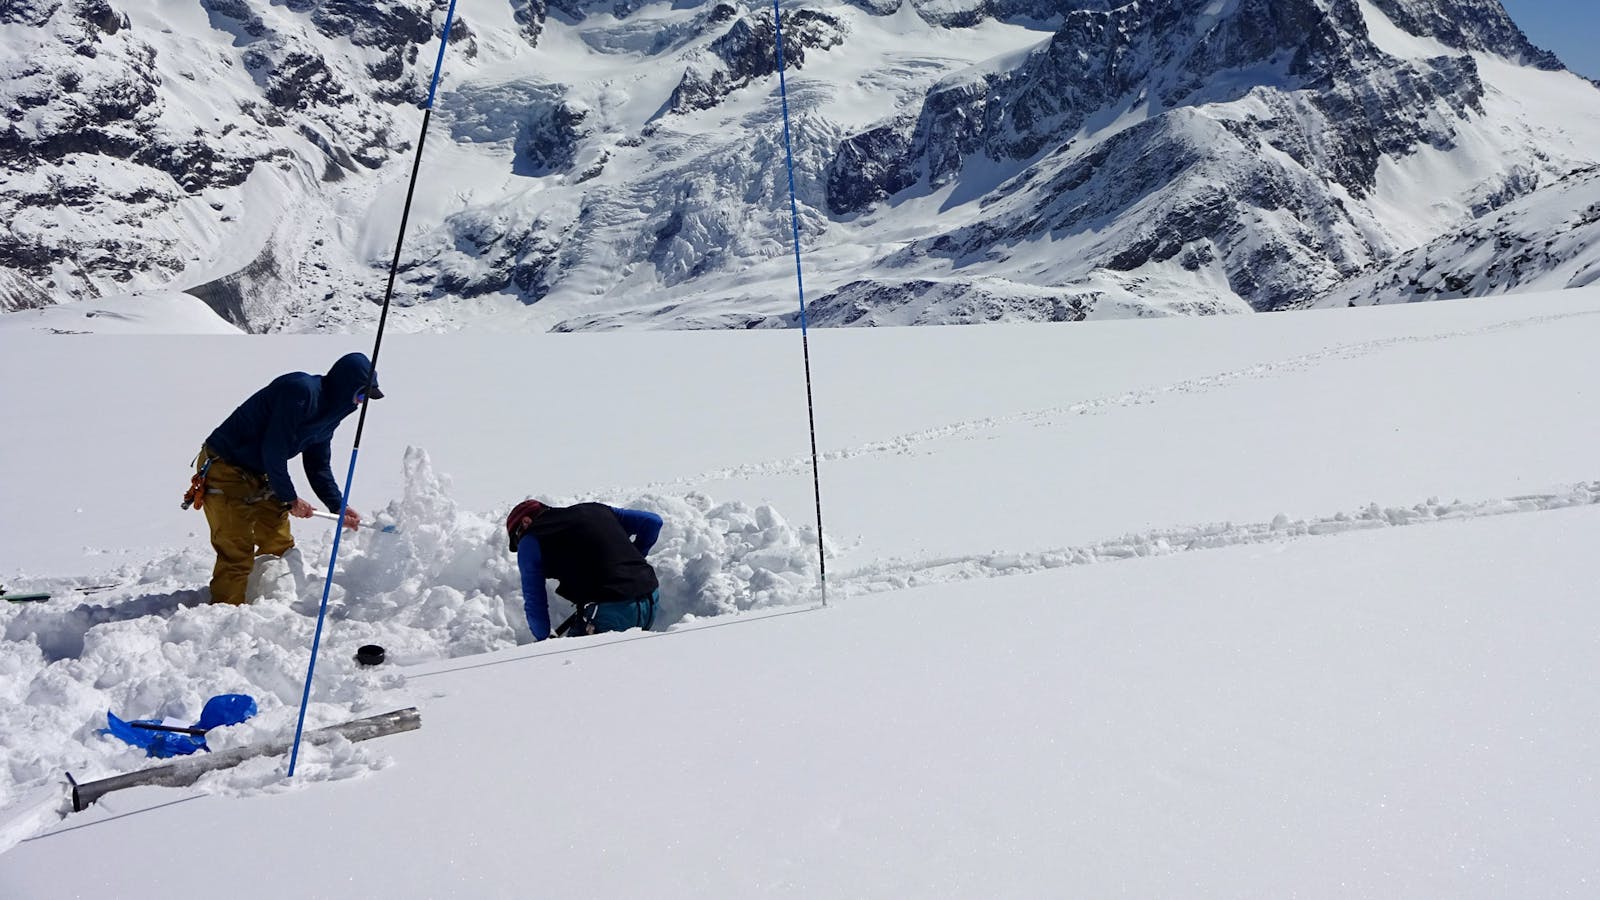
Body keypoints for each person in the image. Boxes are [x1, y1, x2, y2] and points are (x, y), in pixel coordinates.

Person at [192, 352, 382, 605]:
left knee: (277, 540)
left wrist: (338, 505)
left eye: (365, 399)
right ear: (343, 385)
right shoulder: (301, 391)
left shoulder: (330, 415)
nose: (359, 403)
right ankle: (227, 612)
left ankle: (273, 600)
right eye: (360, 394)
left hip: (259, 471)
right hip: (224, 466)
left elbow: (318, 465)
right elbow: (274, 449)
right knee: (236, 548)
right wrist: (290, 498)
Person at [506, 499, 663, 640]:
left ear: (525, 522)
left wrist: (543, 638)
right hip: (650, 598)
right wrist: (634, 560)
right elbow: (652, 522)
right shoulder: (595, 510)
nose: (520, 545)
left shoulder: (530, 540)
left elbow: (534, 598)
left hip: (611, 610)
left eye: (516, 539)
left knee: (566, 665)